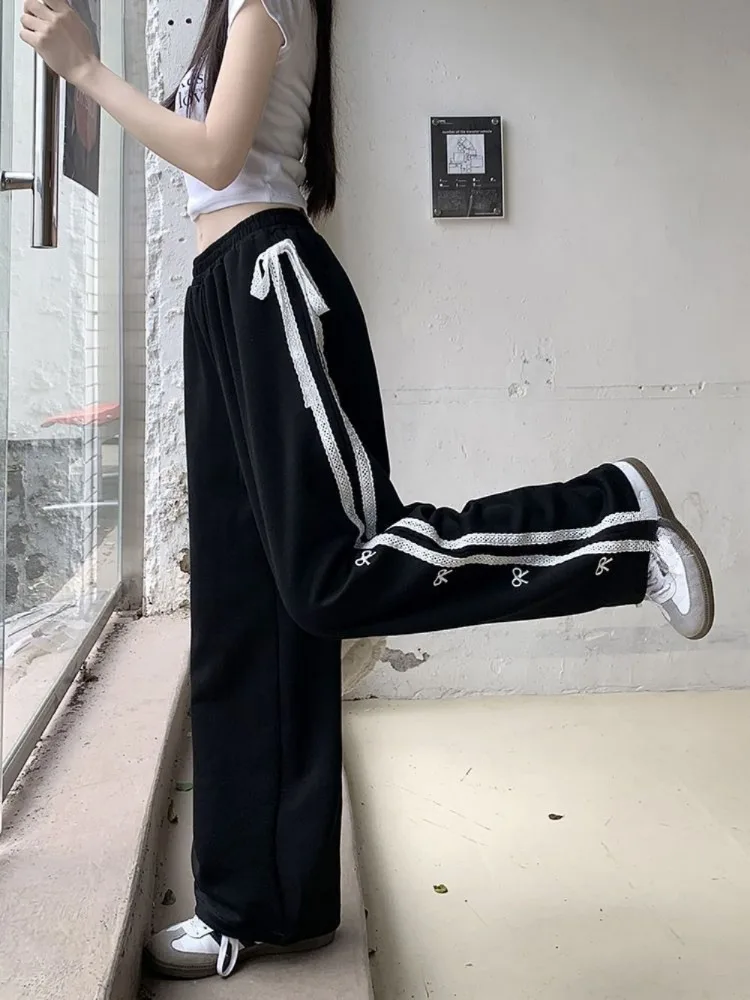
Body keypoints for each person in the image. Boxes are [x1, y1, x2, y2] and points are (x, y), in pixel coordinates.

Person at [20, 0, 715, 982]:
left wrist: (88, 71)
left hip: (271, 285)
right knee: (244, 608)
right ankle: (262, 902)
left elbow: (217, 155)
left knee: (331, 574)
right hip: (221, 296)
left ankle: (615, 524)